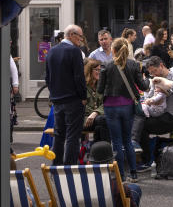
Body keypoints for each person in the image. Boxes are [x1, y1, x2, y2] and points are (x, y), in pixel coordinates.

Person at [97, 38, 149, 181]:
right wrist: (148, 78)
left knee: (116, 142)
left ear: (113, 50)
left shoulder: (106, 65)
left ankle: (121, 176)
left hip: (110, 107)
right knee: (128, 140)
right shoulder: (133, 65)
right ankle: (133, 173)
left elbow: (100, 89)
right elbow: (144, 86)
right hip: (127, 106)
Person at [45, 24, 87, 166]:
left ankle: (56, 166)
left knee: (59, 135)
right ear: (71, 35)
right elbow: (79, 77)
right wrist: (83, 97)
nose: (81, 40)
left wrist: (53, 94)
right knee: (72, 136)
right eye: (80, 36)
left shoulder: (51, 51)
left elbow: (47, 77)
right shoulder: (74, 51)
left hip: (57, 100)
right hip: (73, 100)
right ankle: (68, 168)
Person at [82, 58, 109, 143]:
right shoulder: (82, 86)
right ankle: (106, 152)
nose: (99, 72)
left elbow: (106, 103)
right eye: (96, 70)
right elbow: (80, 106)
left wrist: (96, 112)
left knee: (100, 127)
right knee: (104, 120)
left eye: (100, 70)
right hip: (84, 119)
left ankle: (98, 151)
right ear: (89, 70)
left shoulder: (101, 85)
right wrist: (95, 113)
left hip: (97, 118)